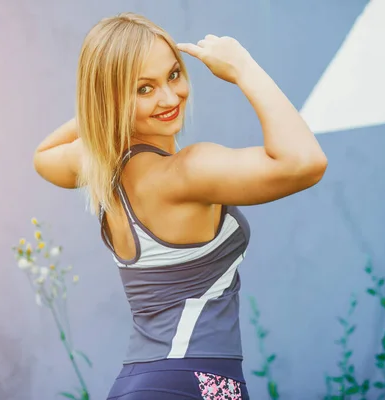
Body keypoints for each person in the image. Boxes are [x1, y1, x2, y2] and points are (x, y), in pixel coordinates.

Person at [33, 12, 327, 400]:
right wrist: (243, 68)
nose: (170, 98)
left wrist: (105, 105)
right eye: (144, 89)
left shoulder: (100, 168)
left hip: (134, 384)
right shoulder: (187, 172)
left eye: (172, 75)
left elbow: (44, 154)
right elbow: (305, 162)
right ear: (113, 97)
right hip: (195, 383)